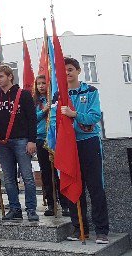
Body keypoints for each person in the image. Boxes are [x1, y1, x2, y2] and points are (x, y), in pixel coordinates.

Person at [62, 58, 110, 244]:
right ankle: (80, 228)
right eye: (64, 70)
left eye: (71, 69)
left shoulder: (90, 91)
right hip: (69, 146)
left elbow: (95, 115)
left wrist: (75, 115)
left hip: (89, 142)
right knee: (74, 187)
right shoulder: (60, 95)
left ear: (78, 71)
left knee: (95, 187)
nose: (67, 73)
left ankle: (102, 231)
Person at [0, 65, 39, 221]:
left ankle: (31, 209)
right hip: (3, 142)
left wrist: (32, 140)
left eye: (1, 77)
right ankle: (14, 208)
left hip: (22, 140)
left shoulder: (23, 95)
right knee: (9, 179)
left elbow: (32, 119)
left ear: (10, 76)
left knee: (27, 177)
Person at [34, 75, 69, 217]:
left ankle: (65, 204)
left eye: (44, 83)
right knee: (46, 173)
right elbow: (32, 118)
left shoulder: (55, 99)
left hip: (56, 139)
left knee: (59, 172)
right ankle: (51, 204)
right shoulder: (35, 101)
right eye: (39, 84)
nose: (41, 86)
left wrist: (52, 106)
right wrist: (44, 110)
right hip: (41, 139)